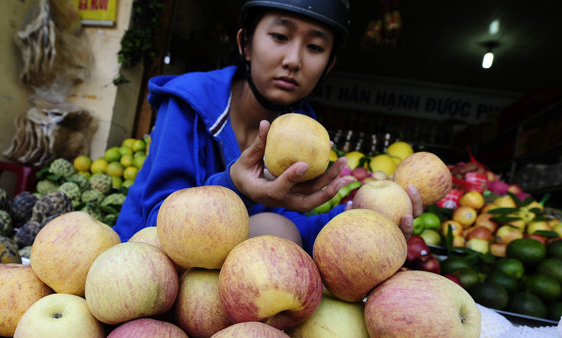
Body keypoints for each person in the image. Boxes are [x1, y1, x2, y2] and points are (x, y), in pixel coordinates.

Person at [113, 0, 422, 253]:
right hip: (144, 261)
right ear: (245, 44)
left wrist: (360, 220)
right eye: (279, 37)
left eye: (314, 47)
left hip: (226, 279)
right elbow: (156, 222)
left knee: (278, 229)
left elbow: (290, 225)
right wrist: (237, 186)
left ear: (328, 65)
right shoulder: (189, 102)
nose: (293, 60)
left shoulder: (305, 136)